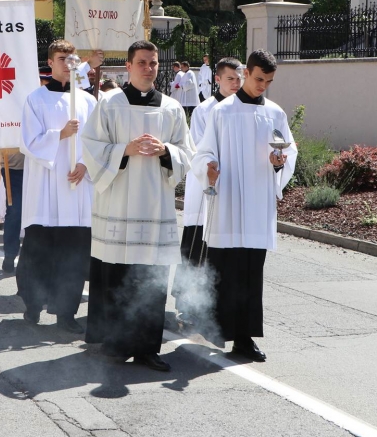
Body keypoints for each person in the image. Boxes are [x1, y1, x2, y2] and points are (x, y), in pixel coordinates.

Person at [81, 40, 195, 372]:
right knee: (118, 274)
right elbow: (90, 146)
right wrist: (123, 150)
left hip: (155, 206)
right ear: (128, 66)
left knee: (151, 278)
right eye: (142, 62)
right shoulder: (109, 104)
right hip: (118, 203)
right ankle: (116, 345)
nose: (148, 68)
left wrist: (166, 152)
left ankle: (147, 348)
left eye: (153, 63)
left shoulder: (172, 108)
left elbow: (187, 152)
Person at [191, 50, 297, 363]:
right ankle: (218, 329)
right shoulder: (222, 112)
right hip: (228, 201)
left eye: (269, 81)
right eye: (259, 78)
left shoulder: (275, 114)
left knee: (251, 271)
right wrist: (209, 166)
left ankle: (244, 339)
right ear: (246, 73)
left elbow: (288, 153)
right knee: (227, 270)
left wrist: (279, 163)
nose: (263, 85)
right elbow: (203, 152)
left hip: (257, 205)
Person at [17, 40, 97, 333]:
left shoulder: (87, 100)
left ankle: (66, 313)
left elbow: (98, 141)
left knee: (73, 255)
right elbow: (28, 142)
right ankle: (33, 305)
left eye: (72, 58)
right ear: (50, 62)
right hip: (46, 187)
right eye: (62, 58)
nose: (67, 63)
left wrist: (86, 164)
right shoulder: (35, 99)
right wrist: (60, 134)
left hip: (76, 188)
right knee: (39, 250)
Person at [175, 57, 243, 327]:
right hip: (207, 188)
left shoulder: (244, 109)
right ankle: (187, 303)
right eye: (230, 79)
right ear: (218, 79)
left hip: (232, 189)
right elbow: (199, 148)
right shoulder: (205, 110)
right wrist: (214, 167)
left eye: (239, 79)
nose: (236, 83)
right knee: (197, 247)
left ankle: (216, 305)